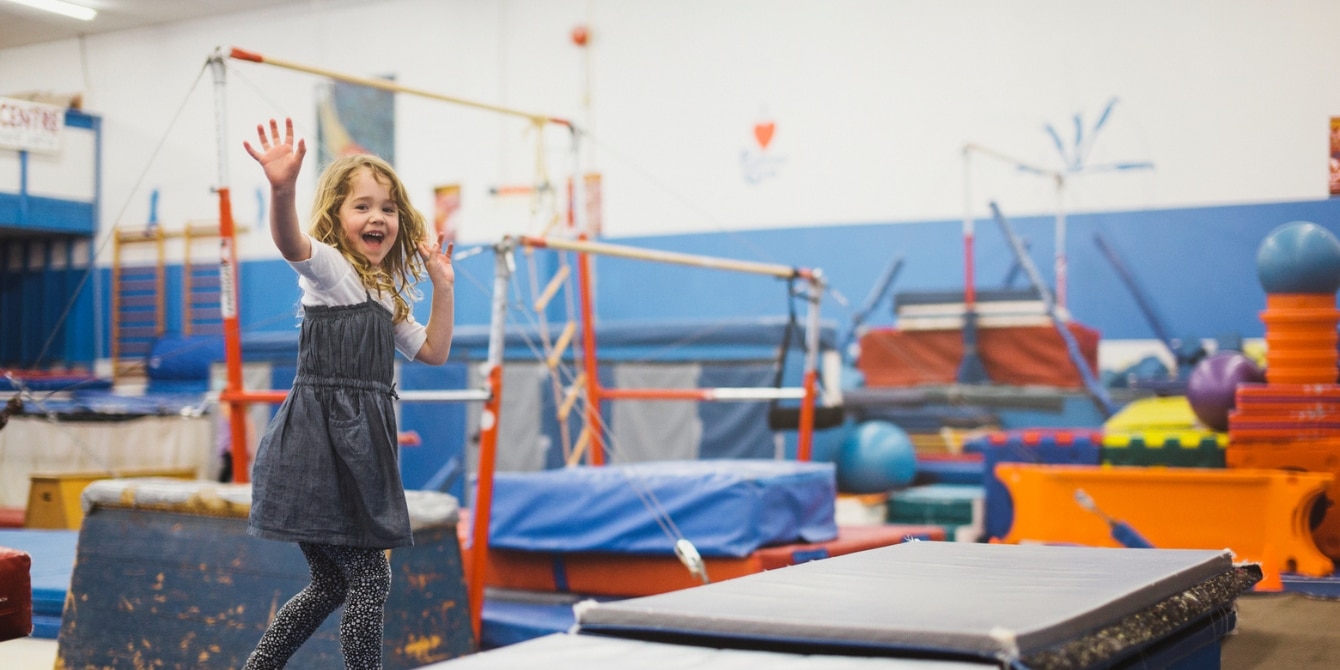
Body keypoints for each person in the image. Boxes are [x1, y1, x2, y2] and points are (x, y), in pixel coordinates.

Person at [240, 118, 455, 669]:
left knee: (333, 584)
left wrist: (443, 288)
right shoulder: (332, 272)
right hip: (319, 448)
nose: (377, 217)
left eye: (386, 208)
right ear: (336, 218)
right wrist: (282, 189)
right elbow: (291, 243)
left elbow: (433, 351)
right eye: (361, 206)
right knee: (368, 576)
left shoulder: (384, 295)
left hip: (355, 450)